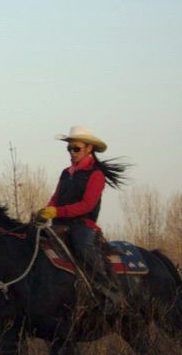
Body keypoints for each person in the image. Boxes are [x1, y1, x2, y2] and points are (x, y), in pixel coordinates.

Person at [37, 126, 128, 302]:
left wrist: (58, 211)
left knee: (83, 249)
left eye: (76, 148)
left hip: (83, 227)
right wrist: (47, 211)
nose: (72, 152)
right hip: (59, 225)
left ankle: (112, 293)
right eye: (69, 148)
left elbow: (87, 205)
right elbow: (55, 197)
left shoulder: (96, 174)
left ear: (89, 148)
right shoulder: (65, 173)